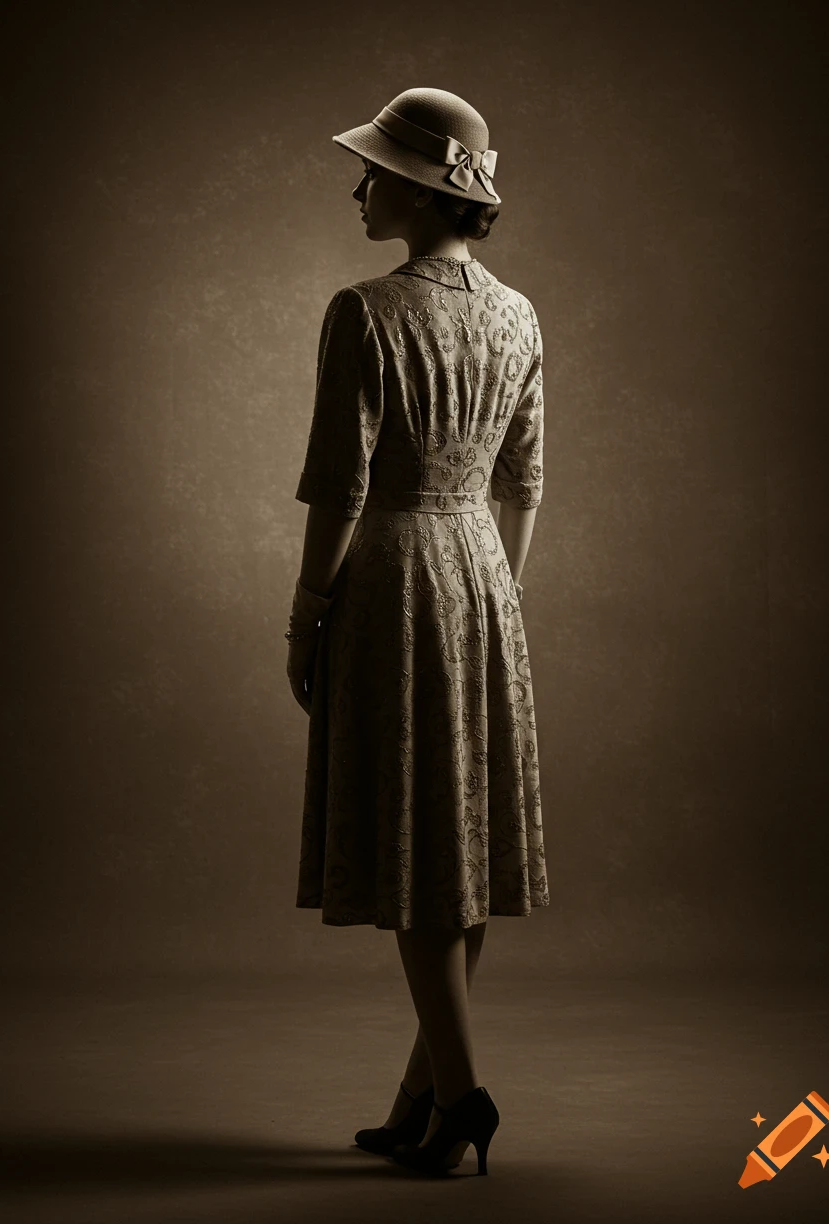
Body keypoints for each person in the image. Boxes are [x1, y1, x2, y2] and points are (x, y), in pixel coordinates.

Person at [285, 87, 548, 1176]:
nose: (359, 189)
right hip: (482, 575)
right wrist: (496, 595)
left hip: (393, 572)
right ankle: (424, 1102)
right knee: (461, 838)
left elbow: (341, 487)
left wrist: (307, 612)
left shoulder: (364, 310)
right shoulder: (520, 315)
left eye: (376, 174)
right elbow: (523, 483)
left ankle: (464, 1093)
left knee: (412, 843)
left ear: (425, 191)